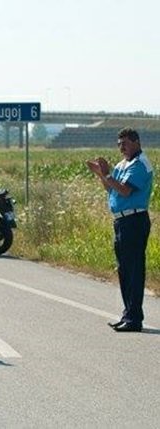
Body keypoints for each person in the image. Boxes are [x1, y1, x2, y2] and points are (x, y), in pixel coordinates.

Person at [86, 127, 153, 332]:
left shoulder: (140, 164)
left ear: (136, 142)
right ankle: (128, 314)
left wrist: (107, 173)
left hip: (134, 220)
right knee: (124, 270)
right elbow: (111, 188)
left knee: (134, 270)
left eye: (125, 143)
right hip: (122, 221)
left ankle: (134, 318)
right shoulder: (123, 164)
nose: (121, 147)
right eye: (119, 144)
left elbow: (124, 190)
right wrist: (101, 175)